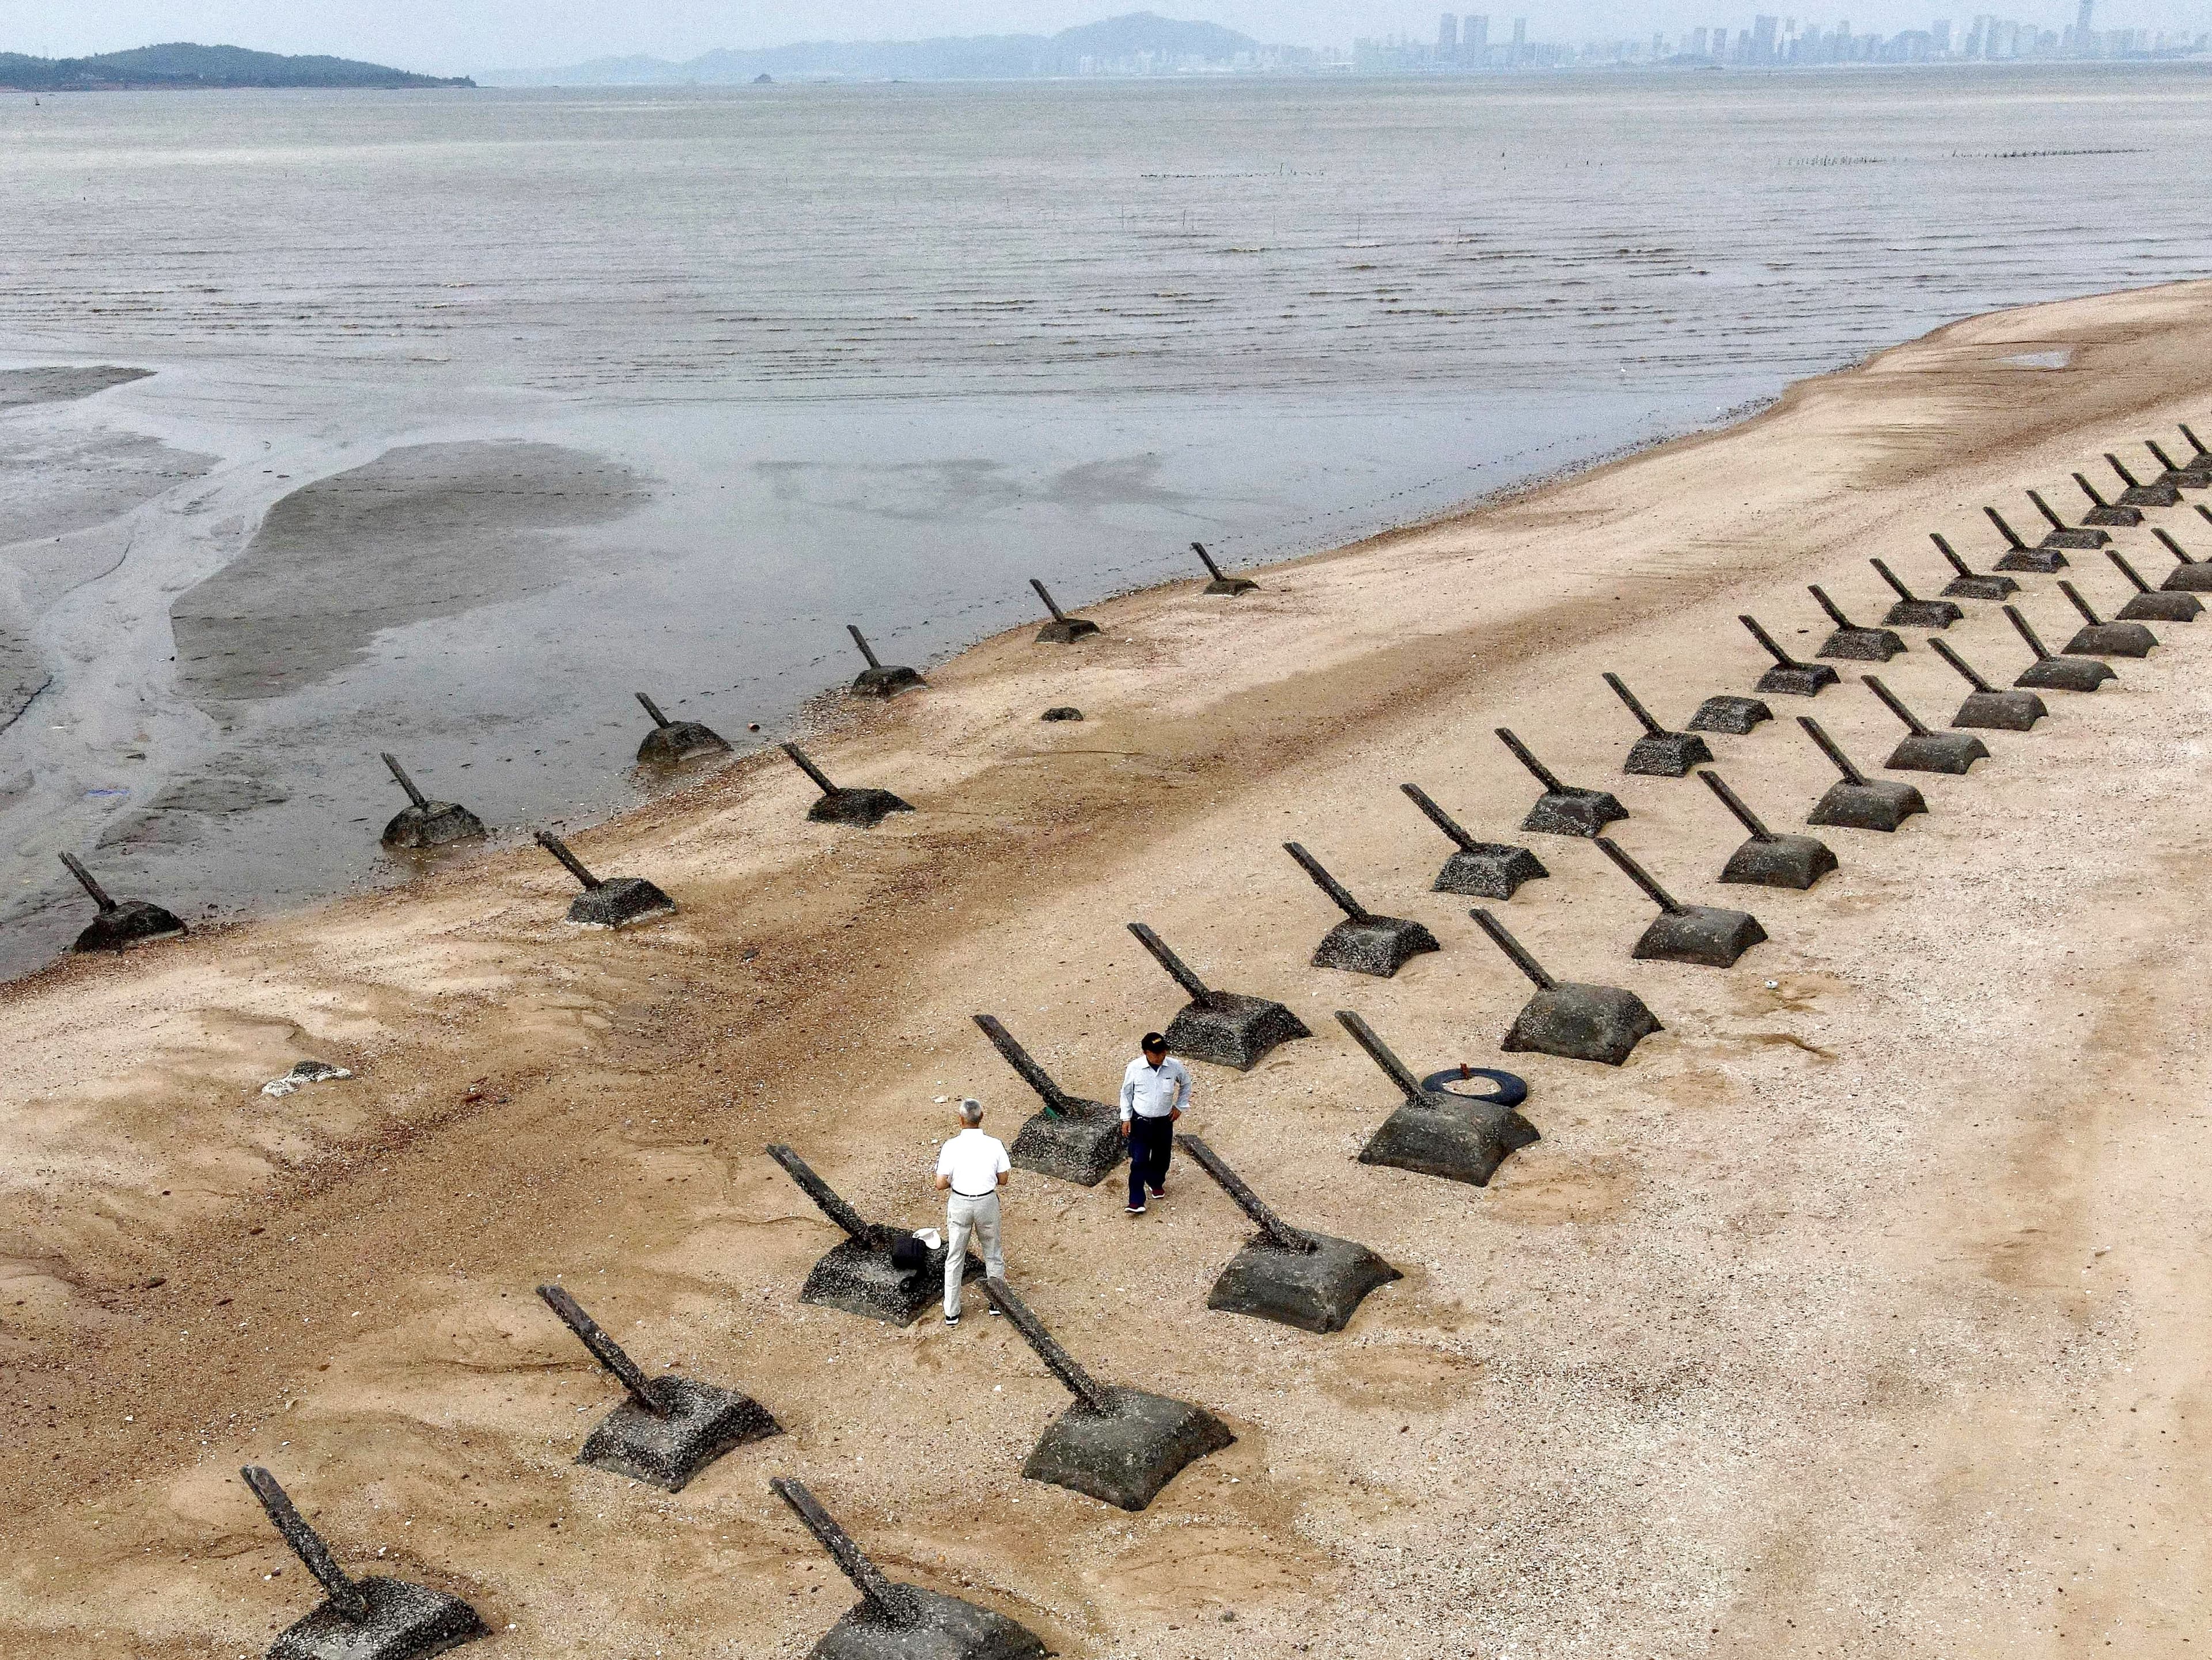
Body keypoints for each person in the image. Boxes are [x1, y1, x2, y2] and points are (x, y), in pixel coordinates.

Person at [933, 1096, 1008, 1328]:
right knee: (993, 1252)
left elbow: (940, 1183)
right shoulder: (995, 1144)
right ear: (981, 1118)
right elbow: (1003, 1179)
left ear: (961, 1120)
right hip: (986, 1202)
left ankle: (952, 1311)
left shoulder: (951, 1146)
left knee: (955, 1257)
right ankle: (997, 1302)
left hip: (960, 1203)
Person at [1119, 1031, 1192, 1216]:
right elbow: (1126, 1094)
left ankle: (1156, 1182)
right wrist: (1126, 1118)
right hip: (1141, 1122)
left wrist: (1180, 1106)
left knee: (1162, 1157)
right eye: (1156, 1053)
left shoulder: (1174, 1066)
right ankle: (1136, 1200)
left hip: (1164, 1122)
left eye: (1163, 1052)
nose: (1160, 1056)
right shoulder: (1134, 1068)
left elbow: (1186, 1083)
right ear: (1146, 1052)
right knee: (1139, 1161)